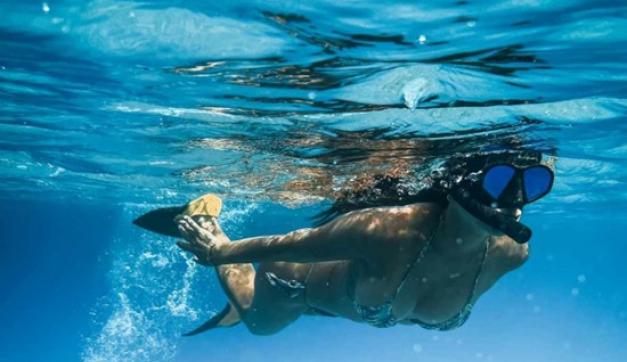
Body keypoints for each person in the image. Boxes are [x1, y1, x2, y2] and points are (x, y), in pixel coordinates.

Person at [174, 150, 555, 336]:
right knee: (257, 323)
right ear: (460, 186)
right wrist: (218, 252)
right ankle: (211, 224)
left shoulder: (512, 254)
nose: (515, 200)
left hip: (336, 300)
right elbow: (293, 244)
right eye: (499, 180)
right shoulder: (390, 231)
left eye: (534, 184)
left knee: (314, 308)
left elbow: (418, 296)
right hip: (292, 282)